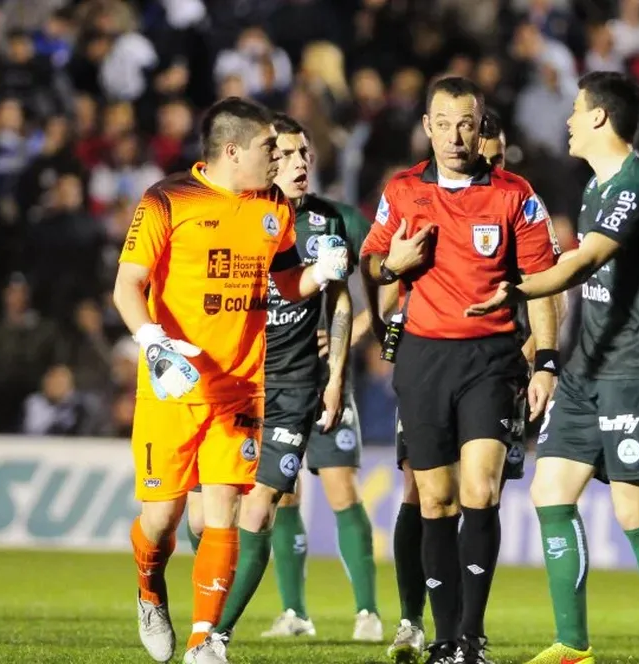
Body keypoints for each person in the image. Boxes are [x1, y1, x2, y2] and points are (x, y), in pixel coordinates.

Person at [114, 97, 349, 664]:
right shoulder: (167, 199)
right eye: (270, 147)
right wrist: (154, 344)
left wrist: (319, 273)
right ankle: (150, 589)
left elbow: (285, 282)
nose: (280, 156)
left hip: (241, 386)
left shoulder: (273, 207)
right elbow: (128, 286)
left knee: (225, 511)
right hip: (175, 382)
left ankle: (203, 641)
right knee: (163, 518)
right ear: (232, 151)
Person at [467, 71, 639, 664]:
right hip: (588, 371)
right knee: (549, 491)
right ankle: (573, 644)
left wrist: (509, 287)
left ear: (598, 118)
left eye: (574, 109)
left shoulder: (636, 188)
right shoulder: (597, 188)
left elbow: (582, 263)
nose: (566, 120)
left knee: (635, 512)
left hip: (635, 371)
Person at [361, 77, 562, 664]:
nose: (454, 135)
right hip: (424, 358)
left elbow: (546, 284)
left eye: (466, 124)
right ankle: (444, 637)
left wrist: (545, 360)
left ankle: (471, 636)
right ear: (428, 126)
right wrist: (387, 265)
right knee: (435, 500)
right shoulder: (401, 191)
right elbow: (374, 261)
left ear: (481, 126)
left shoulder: (515, 194)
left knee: (480, 489)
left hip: (491, 359)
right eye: (443, 123)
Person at [184, 113, 382, 655]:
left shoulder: (335, 220)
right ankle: (284, 609)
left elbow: (368, 287)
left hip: (301, 385)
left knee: (272, 504)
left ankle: (215, 636)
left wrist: (341, 369)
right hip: (235, 385)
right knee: (202, 520)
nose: (299, 164)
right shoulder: (237, 215)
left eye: (304, 155)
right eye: (286, 154)